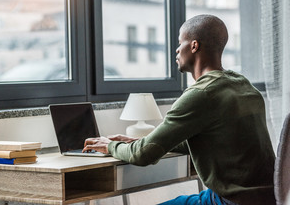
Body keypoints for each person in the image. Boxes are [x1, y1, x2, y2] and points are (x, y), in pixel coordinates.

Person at [83, 14, 276, 205]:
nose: (176, 50)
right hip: (270, 197)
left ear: (194, 46)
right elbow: (213, 139)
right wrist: (145, 141)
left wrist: (109, 146)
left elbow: (142, 155)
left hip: (230, 201)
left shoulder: (201, 94)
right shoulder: (243, 85)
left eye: (180, 42)